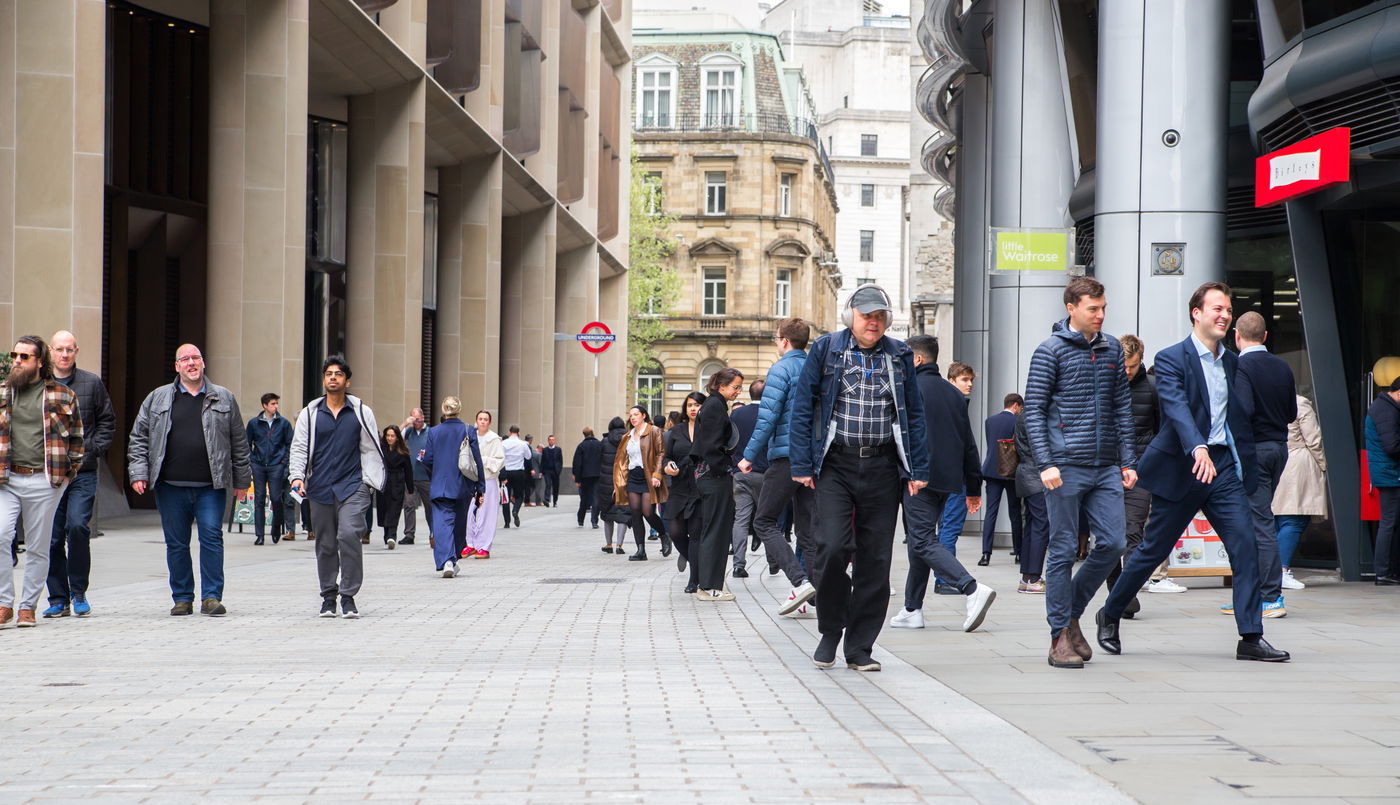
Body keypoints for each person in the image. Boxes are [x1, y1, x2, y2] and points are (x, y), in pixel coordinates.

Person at [1096, 281, 1290, 663]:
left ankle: (1250, 636)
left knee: (1245, 548)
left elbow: (1240, 416)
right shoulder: (1172, 359)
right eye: (1216, 308)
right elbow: (1176, 407)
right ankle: (1111, 612)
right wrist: (1196, 445)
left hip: (1223, 469)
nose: (1224, 315)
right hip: (1183, 466)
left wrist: (1245, 459)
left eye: (1228, 310)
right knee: (1152, 550)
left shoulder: (1234, 363)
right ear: (1196, 313)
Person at [790, 284, 929, 672]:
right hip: (835, 464)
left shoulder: (899, 354)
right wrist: (801, 464)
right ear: (851, 315)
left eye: (880, 316)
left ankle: (860, 647)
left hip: (883, 467)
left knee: (875, 560)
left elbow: (913, 415)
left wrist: (918, 470)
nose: (874, 322)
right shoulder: (827, 349)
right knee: (832, 547)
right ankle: (831, 628)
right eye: (867, 315)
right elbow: (803, 408)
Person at [1022, 278, 1137, 669]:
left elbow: (1123, 406)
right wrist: (1045, 463)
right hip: (1064, 465)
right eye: (1093, 308)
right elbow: (1033, 411)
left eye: (1103, 307)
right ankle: (1059, 637)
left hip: (1105, 465)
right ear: (1072, 307)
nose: (1101, 315)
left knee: (1113, 543)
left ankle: (1071, 614)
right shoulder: (1049, 351)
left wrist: (1128, 461)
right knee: (1064, 548)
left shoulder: (1110, 350)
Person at [128, 343, 250, 617]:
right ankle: (182, 598)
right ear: (177, 366)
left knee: (211, 537)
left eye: (195, 358)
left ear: (203, 363)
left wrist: (242, 481)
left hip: (211, 486)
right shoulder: (157, 398)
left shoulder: (224, 398)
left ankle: (211, 597)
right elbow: (139, 438)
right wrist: (138, 472)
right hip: (170, 487)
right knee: (176, 543)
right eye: (185, 359)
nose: (191, 363)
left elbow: (239, 443)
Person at [889, 334, 996, 632]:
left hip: (917, 479)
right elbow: (969, 444)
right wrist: (974, 487)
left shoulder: (911, 389)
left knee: (922, 540)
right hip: (945, 481)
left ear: (918, 359)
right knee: (920, 542)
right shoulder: (953, 394)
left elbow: (905, 436)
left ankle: (971, 589)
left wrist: (906, 471)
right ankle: (912, 608)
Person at [287, 356, 384, 619]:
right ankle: (328, 597)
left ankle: (349, 596)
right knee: (326, 544)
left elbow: (370, 447)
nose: (333, 378)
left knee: (349, 534)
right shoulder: (311, 413)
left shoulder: (361, 412)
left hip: (352, 486)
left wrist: (369, 481)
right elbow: (299, 448)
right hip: (319, 488)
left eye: (338, 374)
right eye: (328, 374)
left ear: (346, 380)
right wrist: (297, 477)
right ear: (323, 380)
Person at [0, 336, 84, 629]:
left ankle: (27, 607)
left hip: (44, 481)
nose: (17, 361)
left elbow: (76, 439)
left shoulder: (62, 395)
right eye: (15, 355)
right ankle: (4, 603)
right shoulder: (2, 393)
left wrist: (65, 477)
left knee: (38, 546)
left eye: (24, 357)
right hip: (6, 480)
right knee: (1, 534)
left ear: (39, 362)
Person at [739, 317, 818, 616]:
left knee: (764, 522)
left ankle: (799, 582)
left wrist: (748, 455)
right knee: (807, 532)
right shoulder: (815, 368)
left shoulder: (781, 369)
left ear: (784, 341)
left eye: (776, 338)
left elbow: (767, 418)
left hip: (785, 459)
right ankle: (814, 595)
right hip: (811, 460)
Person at [43, 330, 114, 619]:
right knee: (50, 537)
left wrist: (94, 449)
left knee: (78, 528)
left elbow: (108, 421)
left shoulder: (91, 383)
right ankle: (58, 598)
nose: (64, 354)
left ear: (76, 351)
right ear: (50, 351)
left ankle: (79, 591)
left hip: (82, 471)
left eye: (69, 349)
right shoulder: (40, 384)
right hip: (48, 474)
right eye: (59, 349)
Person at [1103, 335, 1174, 612]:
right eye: (1123, 366)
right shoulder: (1104, 387)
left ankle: (1125, 594)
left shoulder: (1154, 389)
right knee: (1109, 537)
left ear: (1141, 360)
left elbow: (1161, 431)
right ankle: (1116, 590)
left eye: (1132, 366)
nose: (1128, 372)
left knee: (1133, 533)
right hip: (1107, 470)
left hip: (1141, 471)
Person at [1232, 311, 1297, 618]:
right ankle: (1249, 597)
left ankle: (1270, 596)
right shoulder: (1282, 366)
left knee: (1259, 523)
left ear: (1237, 335)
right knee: (1254, 520)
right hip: (1279, 448)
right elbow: (1290, 413)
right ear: (1266, 336)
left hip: (1253, 451)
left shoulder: (1240, 365)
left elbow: (1242, 409)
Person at [692, 369, 745, 600]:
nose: (738, 391)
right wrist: (724, 467)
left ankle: (708, 585)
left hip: (710, 476)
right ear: (721, 385)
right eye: (735, 386)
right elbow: (711, 446)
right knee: (717, 531)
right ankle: (710, 587)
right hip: (713, 477)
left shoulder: (714, 404)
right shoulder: (715, 406)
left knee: (714, 530)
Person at [423, 397, 483, 578]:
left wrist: (435, 474)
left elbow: (427, 460)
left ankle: (448, 560)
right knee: (458, 524)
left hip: (440, 484)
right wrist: (481, 487)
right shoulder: (468, 430)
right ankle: (452, 558)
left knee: (442, 524)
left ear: (443, 409)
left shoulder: (433, 432)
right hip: (462, 485)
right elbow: (476, 460)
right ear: (460, 409)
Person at [1274, 394, 1326, 590]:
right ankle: (1281, 570)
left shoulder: (1262, 399)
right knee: (1294, 519)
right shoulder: (1298, 402)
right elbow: (1313, 438)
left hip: (1271, 460)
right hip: (1297, 462)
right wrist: (1322, 463)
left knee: (1275, 519)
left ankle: (1270, 570)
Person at [934, 361, 977, 594]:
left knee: (944, 529)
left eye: (971, 380)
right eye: (964, 380)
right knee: (949, 529)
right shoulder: (955, 404)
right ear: (951, 381)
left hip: (943, 476)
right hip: (954, 478)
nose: (969, 385)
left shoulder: (948, 403)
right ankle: (945, 579)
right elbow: (965, 447)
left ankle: (943, 578)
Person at [613, 405, 669, 561]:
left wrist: (657, 474)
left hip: (648, 476)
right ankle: (640, 550)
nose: (632, 417)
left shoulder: (654, 431)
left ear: (644, 415)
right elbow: (622, 460)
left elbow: (661, 453)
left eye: (636, 414)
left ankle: (664, 535)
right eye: (631, 415)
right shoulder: (627, 436)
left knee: (648, 512)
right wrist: (619, 481)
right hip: (633, 476)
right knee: (636, 513)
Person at [665, 393, 706, 592]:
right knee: (675, 532)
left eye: (697, 405)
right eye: (689, 405)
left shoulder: (708, 430)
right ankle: (697, 563)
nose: (692, 409)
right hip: (679, 488)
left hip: (700, 489)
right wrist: (667, 467)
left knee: (695, 534)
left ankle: (694, 580)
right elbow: (667, 457)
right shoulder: (676, 431)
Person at [977, 394, 1023, 567]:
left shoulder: (990, 421)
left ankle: (986, 554)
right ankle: (1019, 552)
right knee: (1015, 512)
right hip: (1011, 472)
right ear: (1015, 405)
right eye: (1020, 408)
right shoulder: (1018, 422)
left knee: (991, 512)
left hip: (991, 470)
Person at [728, 379, 765, 578]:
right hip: (764, 472)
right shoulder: (770, 412)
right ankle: (773, 561)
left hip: (740, 472)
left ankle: (738, 565)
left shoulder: (737, 413)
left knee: (740, 519)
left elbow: (731, 441)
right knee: (768, 518)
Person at [246, 392, 293, 546]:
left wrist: (283, 461)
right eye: (272, 404)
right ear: (265, 406)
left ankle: (276, 527)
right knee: (259, 499)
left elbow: (289, 444)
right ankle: (259, 535)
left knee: (276, 498)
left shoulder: (284, 423)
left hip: (276, 466)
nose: (275, 406)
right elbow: (247, 443)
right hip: (258, 465)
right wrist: (252, 460)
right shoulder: (254, 423)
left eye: (276, 403)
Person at [1366, 377, 1400, 585]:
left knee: (1391, 523)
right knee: (1389, 523)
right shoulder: (1386, 410)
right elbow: (1392, 446)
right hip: (1390, 474)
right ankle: (1383, 572)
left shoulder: (1385, 407)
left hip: (1388, 473)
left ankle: (1388, 571)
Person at [1012, 415, 1048, 593]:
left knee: (1032, 525)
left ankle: (1026, 578)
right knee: (1041, 525)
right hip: (1037, 475)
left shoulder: (1021, 417)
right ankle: (1033, 578)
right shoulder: (1038, 416)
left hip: (1025, 474)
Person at [464, 410, 505, 559]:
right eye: (480, 419)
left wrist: (483, 460)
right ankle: (471, 543)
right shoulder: (470, 437)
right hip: (471, 478)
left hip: (488, 479)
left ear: (489, 422)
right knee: (470, 512)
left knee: (487, 513)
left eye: (485, 419)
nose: (482, 421)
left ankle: (484, 546)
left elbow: (500, 461)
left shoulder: (494, 439)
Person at [377, 426, 414, 548]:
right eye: (388, 435)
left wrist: (410, 488)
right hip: (383, 483)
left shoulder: (403, 452)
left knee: (394, 510)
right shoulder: (381, 449)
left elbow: (408, 471)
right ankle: (387, 535)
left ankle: (392, 536)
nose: (389, 438)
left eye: (392, 436)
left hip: (397, 483)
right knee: (384, 510)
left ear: (397, 437)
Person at [597, 417, 629, 552]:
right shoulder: (628, 440)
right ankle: (619, 545)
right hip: (623, 481)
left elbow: (598, 461)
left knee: (607, 513)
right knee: (623, 514)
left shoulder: (604, 442)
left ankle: (609, 544)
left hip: (606, 481)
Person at [401, 408, 432, 546]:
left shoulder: (431, 432)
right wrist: (405, 423)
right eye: (413, 420)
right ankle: (409, 534)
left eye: (418, 420)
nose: (416, 423)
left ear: (423, 418)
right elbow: (395, 436)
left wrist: (428, 454)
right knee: (408, 505)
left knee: (430, 506)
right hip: (411, 476)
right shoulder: (408, 432)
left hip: (426, 476)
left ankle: (434, 532)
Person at [571, 427, 603, 528]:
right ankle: (594, 521)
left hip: (585, 476)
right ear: (592, 433)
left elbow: (577, 463)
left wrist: (577, 478)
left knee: (584, 498)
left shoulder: (581, 446)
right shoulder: (599, 444)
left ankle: (581, 519)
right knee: (596, 498)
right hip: (598, 475)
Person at [500, 426, 531, 528]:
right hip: (518, 471)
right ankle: (515, 511)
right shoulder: (523, 444)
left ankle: (507, 522)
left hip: (506, 472)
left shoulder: (503, 443)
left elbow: (500, 457)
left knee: (505, 497)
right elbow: (528, 456)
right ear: (518, 433)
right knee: (519, 496)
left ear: (509, 432)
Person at [539, 435, 563, 507]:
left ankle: (555, 501)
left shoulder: (558, 449)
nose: (551, 441)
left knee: (556, 487)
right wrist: (541, 471)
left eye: (553, 440)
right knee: (548, 484)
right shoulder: (545, 450)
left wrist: (559, 470)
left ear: (554, 441)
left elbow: (560, 461)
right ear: (548, 441)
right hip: (547, 471)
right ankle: (546, 499)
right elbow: (542, 461)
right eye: (550, 440)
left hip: (555, 471)